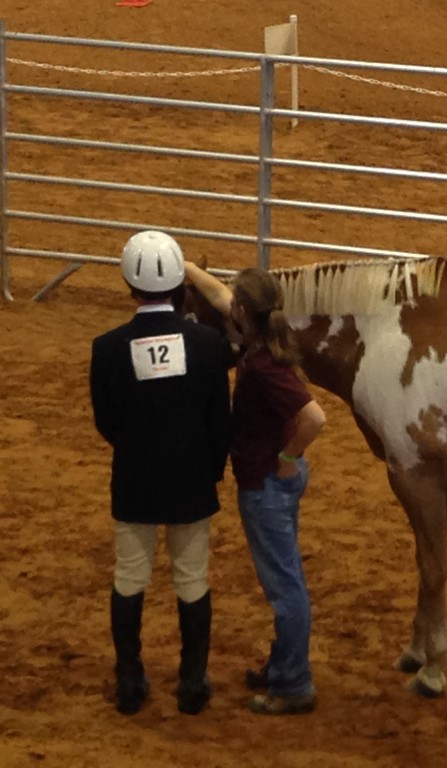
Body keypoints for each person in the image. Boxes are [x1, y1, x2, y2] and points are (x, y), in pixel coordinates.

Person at [90, 231, 232, 716]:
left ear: (130, 286)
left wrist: (137, 451)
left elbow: (106, 421)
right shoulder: (209, 344)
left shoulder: (106, 348)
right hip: (192, 481)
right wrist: (208, 470)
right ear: (178, 286)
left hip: (135, 480)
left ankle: (129, 681)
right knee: (192, 580)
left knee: (130, 577)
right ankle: (192, 683)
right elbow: (220, 420)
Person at [184, 261, 326, 716]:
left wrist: (287, 459)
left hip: (267, 482)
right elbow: (222, 297)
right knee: (287, 581)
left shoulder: (263, 366)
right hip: (272, 479)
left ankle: (293, 683)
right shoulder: (264, 338)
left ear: (244, 312)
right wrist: (188, 267)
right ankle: (284, 666)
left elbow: (314, 418)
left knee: (286, 589)